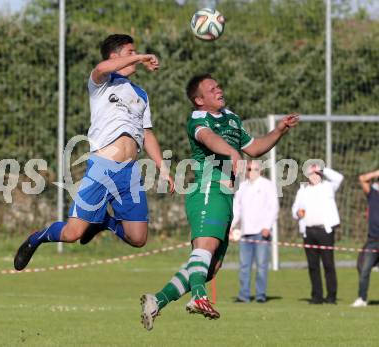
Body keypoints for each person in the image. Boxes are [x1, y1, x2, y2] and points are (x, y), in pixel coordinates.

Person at [140, 73, 299, 330]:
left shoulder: (232, 118)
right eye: (212, 89)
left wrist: (279, 130)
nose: (219, 90)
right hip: (207, 189)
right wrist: (231, 152)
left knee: (211, 266)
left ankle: (156, 300)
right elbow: (208, 139)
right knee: (205, 247)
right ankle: (199, 297)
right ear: (199, 99)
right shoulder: (198, 119)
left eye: (219, 86)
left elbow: (256, 148)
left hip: (226, 196)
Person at [14, 34, 174, 271]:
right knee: (72, 234)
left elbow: (147, 133)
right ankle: (38, 237)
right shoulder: (101, 83)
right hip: (102, 168)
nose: (135, 57)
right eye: (130, 52)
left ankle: (103, 223)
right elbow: (100, 67)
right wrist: (141, 58)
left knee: (138, 238)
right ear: (114, 56)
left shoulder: (141, 94)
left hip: (129, 173)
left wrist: (163, 167)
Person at [292, 164, 343, 304]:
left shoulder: (328, 187)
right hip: (308, 232)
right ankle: (317, 296)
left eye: (317, 174)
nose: (314, 176)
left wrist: (323, 169)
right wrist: (297, 213)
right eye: (311, 174)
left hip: (325, 231)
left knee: (328, 264)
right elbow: (295, 209)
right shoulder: (303, 191)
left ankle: (331, 296)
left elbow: (339, 178)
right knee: (313, 266)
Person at [230, 160, 279, 303]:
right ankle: (244, 295)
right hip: (245, 233)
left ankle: (260, 295)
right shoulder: (242, 187)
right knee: (244, 266)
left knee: (262, 266)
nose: (251, 172)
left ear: (261, 171)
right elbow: (236, 209)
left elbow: (273, 208)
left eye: (255, 169)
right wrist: (231, 227)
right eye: (249, 169)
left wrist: (267, 227)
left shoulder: (267, 185)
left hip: (261, 233)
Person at [351, 169, 379, 307]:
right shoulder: (373, 194)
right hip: (373, 240)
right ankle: (362, 298)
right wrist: (376, 173)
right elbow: (362, 178)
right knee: (364, 269)